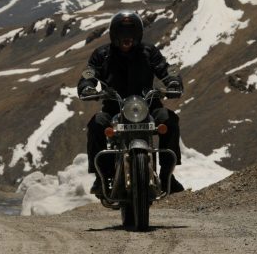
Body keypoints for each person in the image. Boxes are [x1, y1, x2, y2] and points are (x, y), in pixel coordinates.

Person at [78, 11, 185, 195]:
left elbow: (164, 69)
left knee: (169, 120)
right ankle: (101, 177)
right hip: (114, 109)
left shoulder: (149, 51)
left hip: (148, 107)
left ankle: (168, 174)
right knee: (96, 125)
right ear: (114, 34)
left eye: (131, 33)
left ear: (139, 34)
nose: (127, 38)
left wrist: (173, 81)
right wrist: (87, 86)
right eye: (122, 33)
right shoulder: (102, 54)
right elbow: (90, 73)